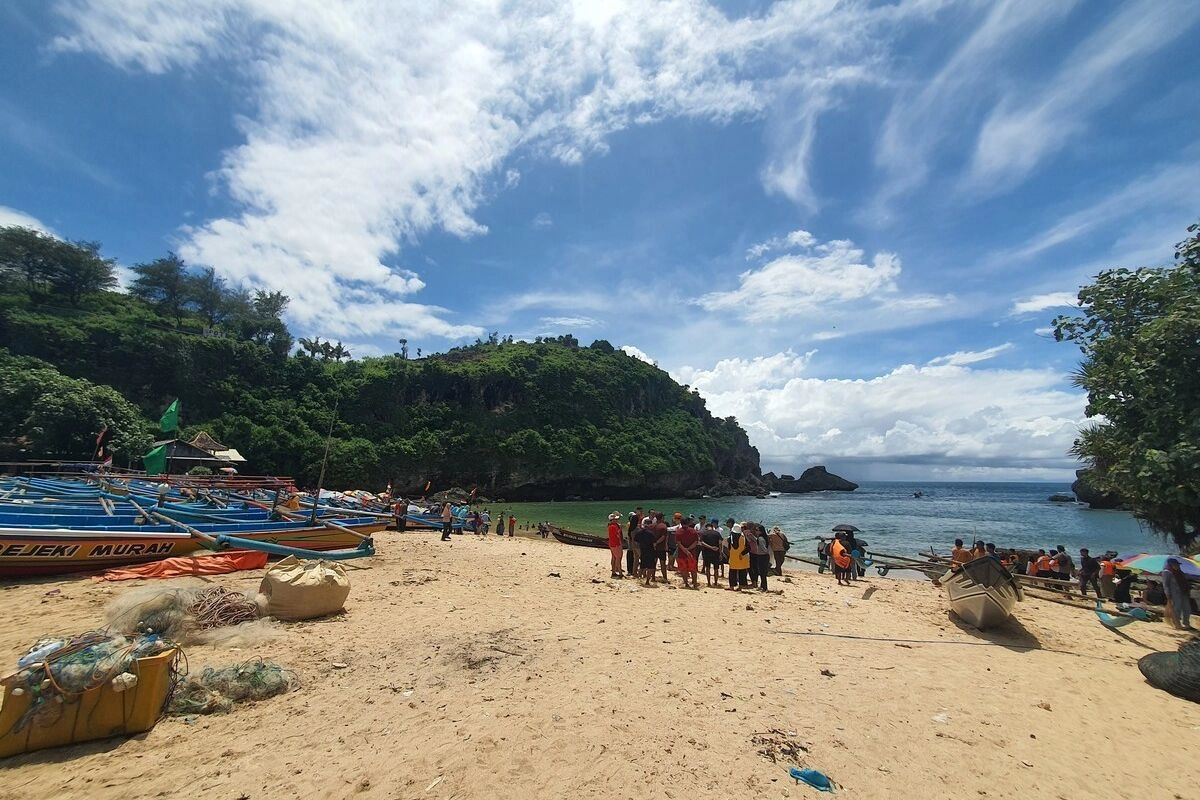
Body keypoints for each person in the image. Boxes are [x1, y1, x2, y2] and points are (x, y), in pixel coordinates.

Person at [1161, 559, 1193, 630]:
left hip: (1184, 592)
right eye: (1175, 564)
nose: (1177, 566)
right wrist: (1168, 595)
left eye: (1177, 564)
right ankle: (1177, 624)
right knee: (1177, 608)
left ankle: (1186, 624)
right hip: (1175, 593)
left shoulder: (1180, 572)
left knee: (1187, 608)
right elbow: (1165, 585)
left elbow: (1185, 582)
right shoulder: (1167, 572)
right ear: (1170, 564)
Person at [675, 517, 700, 589]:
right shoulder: (693, 531)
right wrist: (689, 549)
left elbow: (679, 543)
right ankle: (695, 584)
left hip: (682, 553)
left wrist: (685, 550)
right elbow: (696, 542)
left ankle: (686, 584)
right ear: (688, 523)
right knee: (693, 570)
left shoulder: (678, 532)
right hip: (691, 553)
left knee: (683, 569)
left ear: (681, 523)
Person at [634, 521, 658, 587]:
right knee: (650, 567)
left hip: (643, 551)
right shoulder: (651, 534)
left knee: (642, 566)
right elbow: (654, 544)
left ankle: (639, 580)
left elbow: (636, 542)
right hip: (650, 551)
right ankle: (647, 581)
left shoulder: (639, 533)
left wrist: (638, 550)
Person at [726, 523, 750, 590]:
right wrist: (742, 554)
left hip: (733, 557)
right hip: (742, 558)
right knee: (742, 572)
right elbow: (748, 548)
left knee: (732, 572)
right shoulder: (743, 537)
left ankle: (732, 586)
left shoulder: (731, 538)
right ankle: (741, 587)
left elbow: (729, 548)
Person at [699, 521, 722, 587]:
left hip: (706, 553)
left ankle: (709, 583)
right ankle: (715, 582)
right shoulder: (717, 533)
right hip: (716, 553)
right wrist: (720, 553)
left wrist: (710, 547)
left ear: (706, 528)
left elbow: (702, 542)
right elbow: (720, 543)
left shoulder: (704, 533)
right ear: (712, 527)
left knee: (708, 568)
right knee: (716, 569)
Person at [752, 523, 771, 591]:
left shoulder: (760, 538)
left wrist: (766, 552)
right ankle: (762, 586)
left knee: (762, 573)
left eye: (757, 530)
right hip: (764, 556)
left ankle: (764, 587)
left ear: (761, 531)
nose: (756, 531)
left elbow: (764, 549)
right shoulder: (763, 538)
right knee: (763, 572)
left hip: (762, 556)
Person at [652, 512, 670, 583]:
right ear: (662, 518)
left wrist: (653, 543)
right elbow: (663, 537)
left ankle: (653, 577)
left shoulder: (652, 526)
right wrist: (657, 543)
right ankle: (665, 578)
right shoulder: (663, 526)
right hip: (661, 547)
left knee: (654, 563)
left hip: (653, 547)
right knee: (663, 564)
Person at [607, 512, 624, 579]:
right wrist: (621, 529)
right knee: (618, 558)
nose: (617, 520)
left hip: (612, 544)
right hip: (615, 544)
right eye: (615, 519)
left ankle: (614, 572)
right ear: (612, 520)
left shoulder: (611, 526)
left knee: (614, 558)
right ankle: (620, 573)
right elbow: (617, 535)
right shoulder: (613, 526)